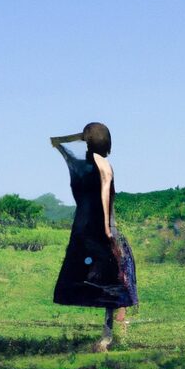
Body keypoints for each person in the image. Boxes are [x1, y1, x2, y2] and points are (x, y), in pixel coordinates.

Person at [50, 122, 137, 350]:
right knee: (113, 271)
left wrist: (80, 137)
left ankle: (110, 330)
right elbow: (105, 194)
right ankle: (109, 331)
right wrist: (108, 227)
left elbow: (56, 142)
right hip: (100, 225)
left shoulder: (80, 165)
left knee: (95, 271)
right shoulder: (104, 165)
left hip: (83, 225)